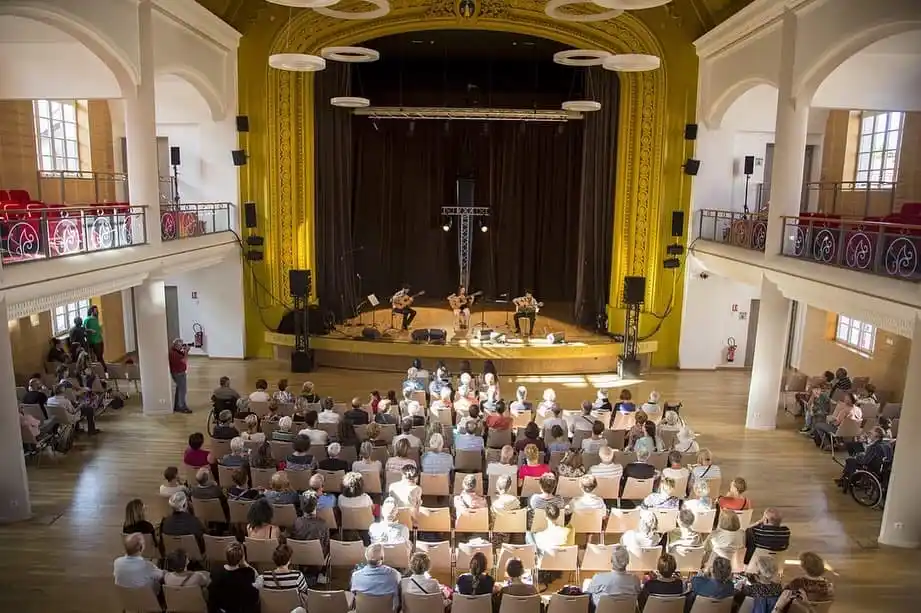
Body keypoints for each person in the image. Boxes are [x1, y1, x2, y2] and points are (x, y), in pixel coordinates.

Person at [209, 542, 260, 613]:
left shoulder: (216, 572)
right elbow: (256, 589)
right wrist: (245, 563)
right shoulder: (248, 573)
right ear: (241, 558)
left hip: (223, 609)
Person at [351, 543, 402, 609]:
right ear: (382, 558)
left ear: (366, 557)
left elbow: (354, 595)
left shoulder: (355, 576)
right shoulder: (395, 575)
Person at [168, 338, 191, 414]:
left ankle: (177, 406)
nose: (181, 347)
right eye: (180, 345)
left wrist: (184, 351)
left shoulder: (174, 351)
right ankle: (182, 407)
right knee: (182, 391)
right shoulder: (174, 354)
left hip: (178, 373)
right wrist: (186, 351)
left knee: (179, 390)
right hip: (179, 374)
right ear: (176, 345)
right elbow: (184, 360)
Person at [84, 304, 105, 368]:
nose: (97, 311)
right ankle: (104, 369)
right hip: (93, 341)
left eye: (97, 310)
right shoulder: (87, 319)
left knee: (100, 356)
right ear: (91, 311)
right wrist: (90, 330)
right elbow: (84, 329)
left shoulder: (96, 319)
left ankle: (102, 369)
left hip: (99, 339)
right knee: (99, 357)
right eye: (95, 310)